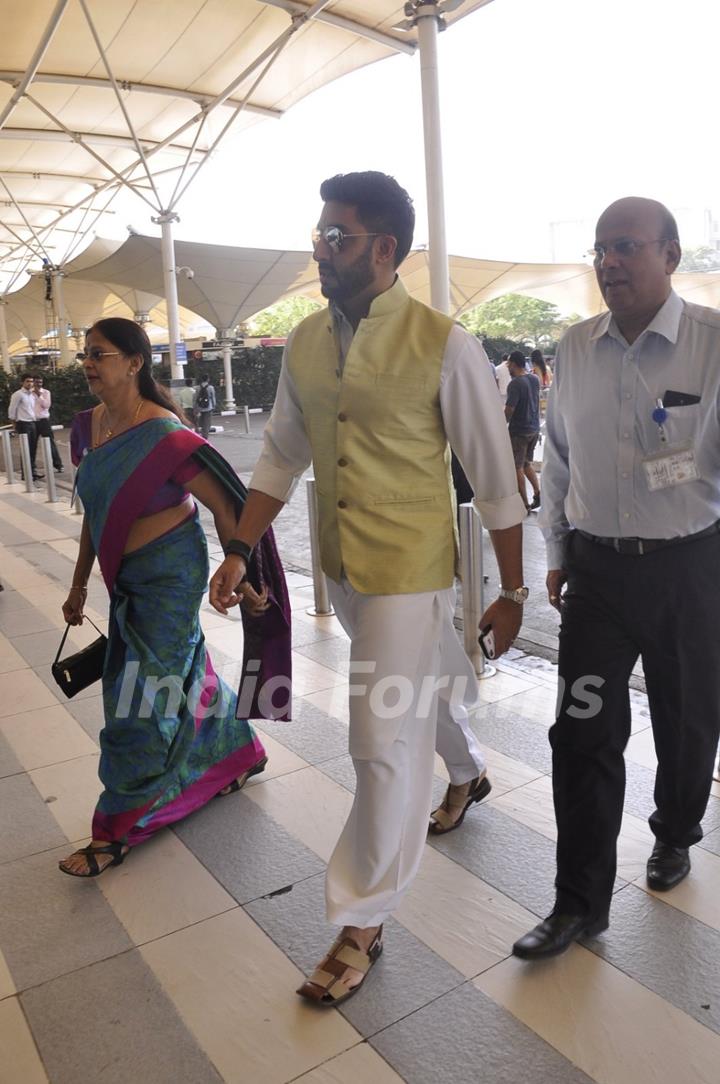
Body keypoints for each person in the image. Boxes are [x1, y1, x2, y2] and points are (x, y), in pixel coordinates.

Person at [209, 171, 527, 1003]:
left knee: (379, 737)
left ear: (384, 249)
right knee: (419, 692)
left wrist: (513, 593)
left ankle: (363, 918)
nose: (322, 248)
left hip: (411, 570)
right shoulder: (309, 338)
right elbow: (281, 453)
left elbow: (494, 480)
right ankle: (467, 770)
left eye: (337, 237)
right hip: (346, 565)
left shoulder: (443, 342)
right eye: (319, 234)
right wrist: (241, 547)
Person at [513, 196, 720, 961]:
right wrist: (559, 554)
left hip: (691, 569)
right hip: (598, 577)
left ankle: (674, 832)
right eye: (601, 249)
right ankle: (577, 903)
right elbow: (559, 458)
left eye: (626, 246)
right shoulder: (573, 347)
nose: (608, 262)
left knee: (689, 718)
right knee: (580, 729)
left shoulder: (710, 344)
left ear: (669, 255)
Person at [58, 318, 290, 878]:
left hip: (171, 575)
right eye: (85, 355)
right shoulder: (88, 427)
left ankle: (118, 824)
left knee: (133, 696)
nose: (89, 363)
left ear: (136, 361)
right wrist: (79, 580)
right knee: (182, 670)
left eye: (101, 354)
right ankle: (238, 752)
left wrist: (238, 565)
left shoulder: (165, 435)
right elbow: (98, 510)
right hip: (123, 576)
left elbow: (227, 505)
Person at [505, 350, 541, 512]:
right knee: (526, 463)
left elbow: (509, 410)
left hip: (519, 431)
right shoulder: (534, 379)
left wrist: (500, 422)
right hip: (534, 427)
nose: (507, 367)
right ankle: (538, 493)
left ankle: (524, 504)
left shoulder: (515, 384)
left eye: (508, 364)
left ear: (513, 363)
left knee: (516, 466)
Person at [8, 373, 43, 481]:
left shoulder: (32, 395)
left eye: (31, 381)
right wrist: (15, 425)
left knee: (32, 449)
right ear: (22, 382)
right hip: (23, 424)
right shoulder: (18, 394)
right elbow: (12, 410)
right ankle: (26, 474)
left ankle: (32, 471)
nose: (30, 383)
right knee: (25, 449)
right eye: (27, 381)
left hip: (32, 423)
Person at [32, 374, 64, 472]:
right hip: (32, 421)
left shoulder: (46, 392)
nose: (39, 384)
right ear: (33, 383)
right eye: (37, 382)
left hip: (44, 420)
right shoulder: (28, 393)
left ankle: (58, 465)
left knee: (50, 443)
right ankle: (32, 466)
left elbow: (46, 405)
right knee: (32, 444)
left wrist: (39, 396)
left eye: (40, 382)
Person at [193, 374, 216, 438]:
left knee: (201, 421)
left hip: (200, 407)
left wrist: (195, 407)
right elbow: (213, 397)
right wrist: (214, 405)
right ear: (208, 379)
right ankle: (205, 435)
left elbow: (195, 398)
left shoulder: (197, 387)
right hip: (208, 407)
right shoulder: (211, 388)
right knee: (207, 422)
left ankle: (199, 433)